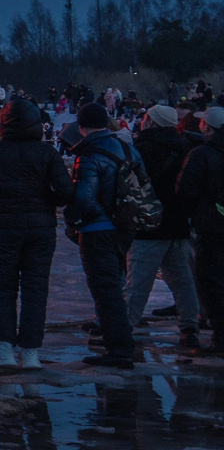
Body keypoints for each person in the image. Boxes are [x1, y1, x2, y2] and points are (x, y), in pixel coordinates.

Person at [0, 98, 71, 368]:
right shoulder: (47, 152)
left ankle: (4, 348)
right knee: (36, 288)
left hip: (5, 228)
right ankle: (30, 352)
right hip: (41, 229)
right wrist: (46, 201)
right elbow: (65, 191)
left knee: (3, 288)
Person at [129, 105, 205, 351]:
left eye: (145, 117)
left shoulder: (141, 149)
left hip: (148, 225)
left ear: (151, 121)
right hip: (178, 224)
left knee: (138, 281)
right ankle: (190, 326)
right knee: (182, 279)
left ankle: (124, 327)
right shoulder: (188, 148)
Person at [68, 103, 137, 368]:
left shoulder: (88, 155)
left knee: (105, 290)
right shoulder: (127, 148)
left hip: (98, 229)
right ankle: (120, 344)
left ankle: (119, 349)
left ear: (81, 126)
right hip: (125, 226)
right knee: (114, 287)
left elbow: (84, 199)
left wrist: (71, 218)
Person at [179, 106, 224, 349]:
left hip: (210, 225)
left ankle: (221, 335)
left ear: (206, 126)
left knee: (210, 281)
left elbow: (186, 189)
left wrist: (189, 215)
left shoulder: (202, 154)